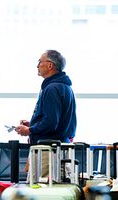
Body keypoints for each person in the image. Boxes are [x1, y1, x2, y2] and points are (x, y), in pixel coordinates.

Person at [15, 50, 76, 180]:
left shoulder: (52, 88)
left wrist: (30, 130)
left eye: (39, 62)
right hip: (59, 148)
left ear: (50, 66)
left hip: (47, 151)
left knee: (42, 192)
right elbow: (60, 121)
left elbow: (51, 123)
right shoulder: (65, 87)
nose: (37, 66)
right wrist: (33, 124)